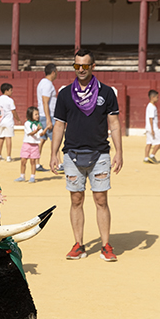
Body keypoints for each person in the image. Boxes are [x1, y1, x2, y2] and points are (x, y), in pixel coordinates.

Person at [49, 48, 123, 261]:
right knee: (76, 199)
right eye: (77, 66)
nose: (81, 70)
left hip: (100, 154)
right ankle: (79, 244)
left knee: (101, 199)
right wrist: (53, 153)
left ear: (93, 66)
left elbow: (115, 124)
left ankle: (106, 245)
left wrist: (119, 152)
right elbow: (59, 125)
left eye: (85, 65)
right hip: (71, 154)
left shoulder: (106, 92)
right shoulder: (64, 94)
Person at [36, 64, 58, 169]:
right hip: (48, 116)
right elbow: (45, 102)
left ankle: (36, 163)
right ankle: (58, 164)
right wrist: (49, 119)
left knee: (42, 139)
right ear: (53, 72)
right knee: (55, 139)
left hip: (44, 115)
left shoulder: (42, 83)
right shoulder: (47, 84)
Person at [15, 107, 44, 182]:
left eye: (38, 114)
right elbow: (31, 133)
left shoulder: (39, 124)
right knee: (23, 161)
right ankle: (22, 176)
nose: (37, 116)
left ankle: (32, 177)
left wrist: (44, 131)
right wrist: (37, 130)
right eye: (35, 114)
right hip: (27, 145)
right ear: (30, 115)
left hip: (35, 145)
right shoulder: (27, 124)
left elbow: (41, 133)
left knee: (33, 161)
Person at [0, 83, 18, 162]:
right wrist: (18, 119)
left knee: (1, 138)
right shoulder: (10, 100)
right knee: (8, 138)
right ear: (6, 91)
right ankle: (8, 156)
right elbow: (13, 111)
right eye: (10, 90)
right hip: (8, 122)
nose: (12, 92)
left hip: (0, 121)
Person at [143, 89, 160, 164]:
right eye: (157, 97)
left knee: (149, 142)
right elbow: (151, 118)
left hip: (148, 127)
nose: (158, 99)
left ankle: (145, 158)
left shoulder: (149, 106)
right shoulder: (151, 106)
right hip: (153, 127)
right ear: (152, 97)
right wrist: (152, 129)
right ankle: (152, 155)